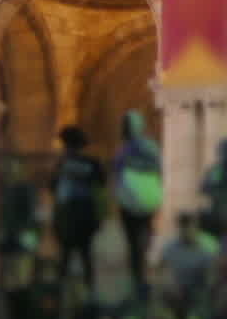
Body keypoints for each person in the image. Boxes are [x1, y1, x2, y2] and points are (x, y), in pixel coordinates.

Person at [49, 127, 110, 302]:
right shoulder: (92, 163)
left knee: (65, 256)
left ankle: (60, 298)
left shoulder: (62, 164)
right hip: (86, 213)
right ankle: (90, 296)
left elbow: (52, 186)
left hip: (66, 213)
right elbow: (101, 184)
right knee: (86, 255)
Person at [114, 113, 169, 295]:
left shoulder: (125, 149)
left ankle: (138, 277)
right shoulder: (149, 147)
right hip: (142, 200)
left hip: (133, 200)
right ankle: (139, 276)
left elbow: (117, 172)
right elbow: (159, 168)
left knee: (136, 240)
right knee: (141, 239)